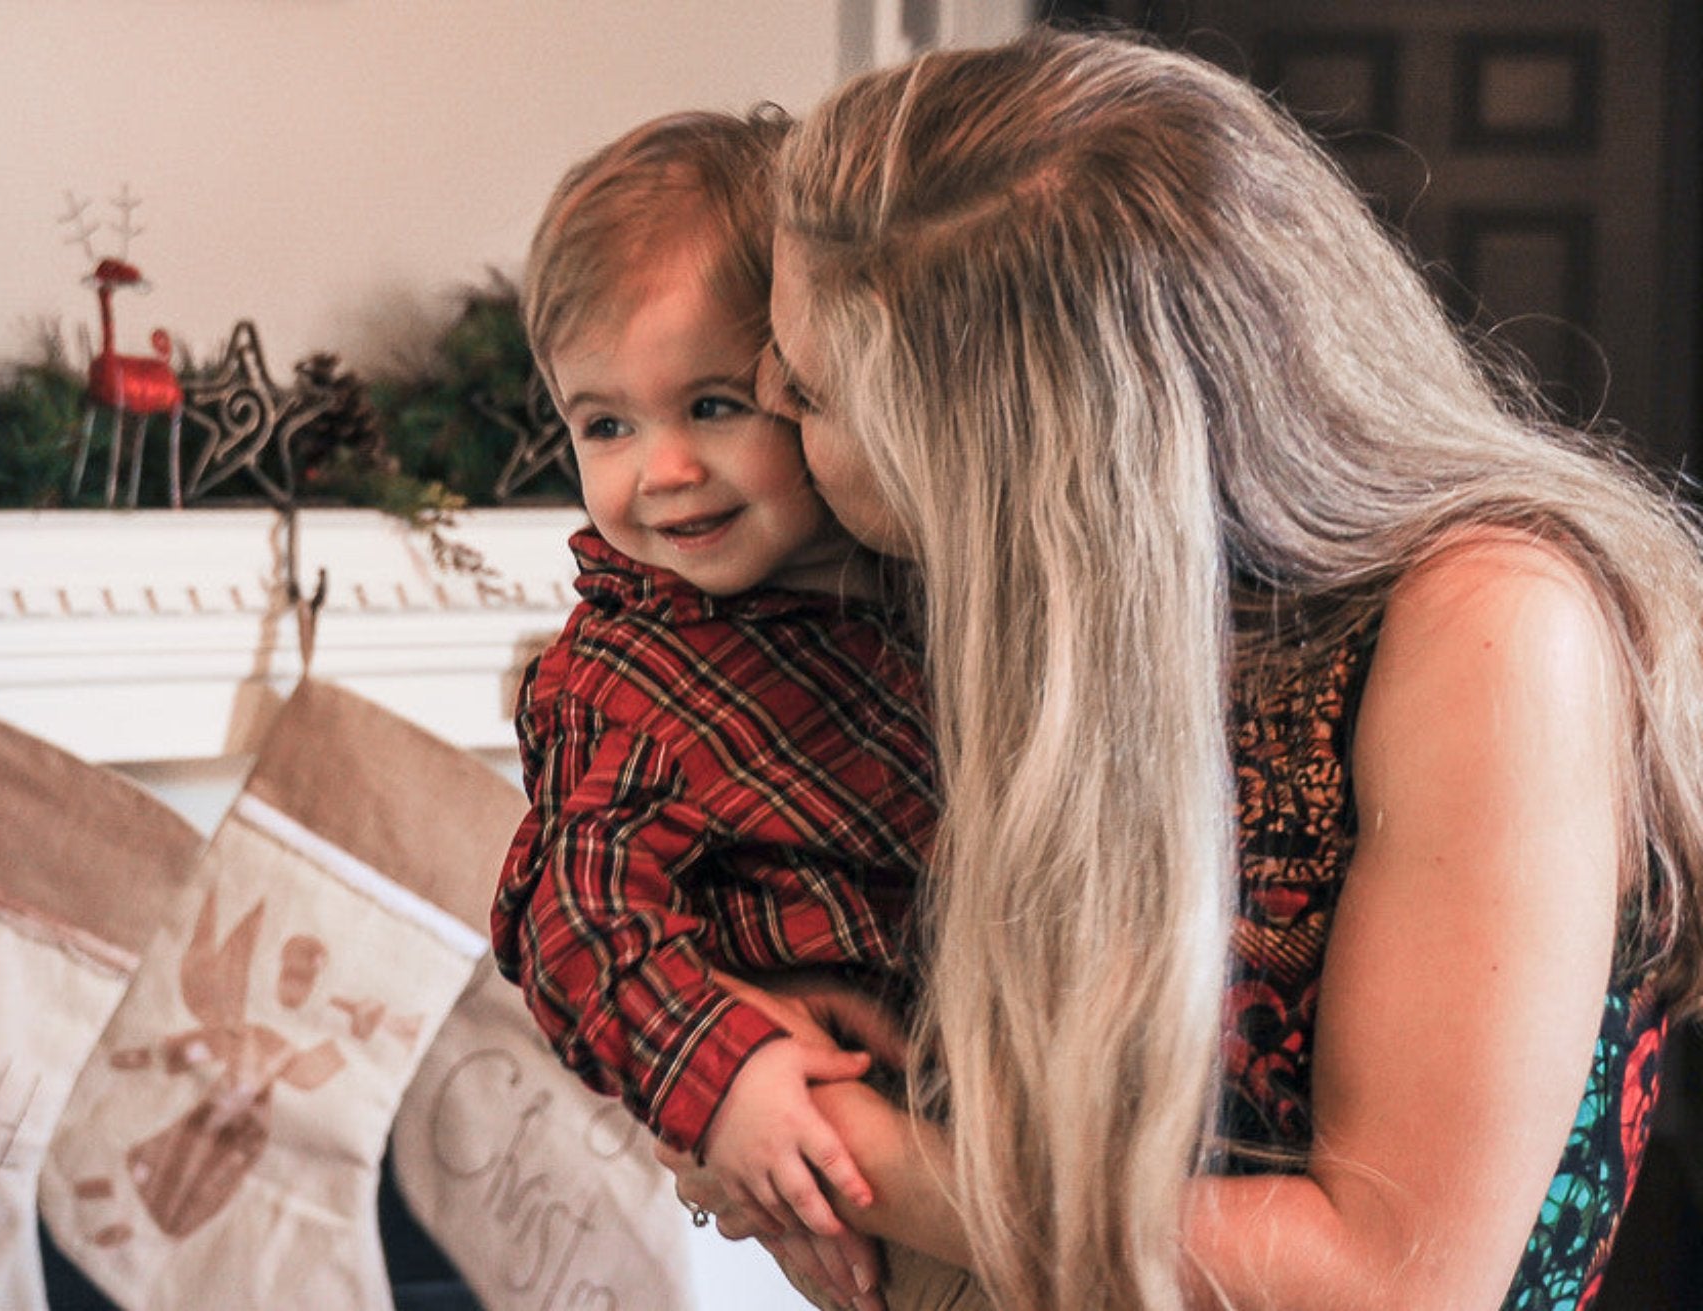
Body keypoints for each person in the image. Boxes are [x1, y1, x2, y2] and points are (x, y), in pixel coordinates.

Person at [663, 26, 1703, 1311]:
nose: (762, 391)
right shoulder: (1018, 607)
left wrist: (815, 1142)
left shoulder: (1487, 624)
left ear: (1014, 462)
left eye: (813, 393)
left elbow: (1391, 1280)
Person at [489, 108, 939, 1256]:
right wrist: (720, 1079)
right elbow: (576, 919)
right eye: (605, 425)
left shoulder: (910, 591)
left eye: (712, 405)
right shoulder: (627, 677)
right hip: (869, 1161)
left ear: (813, 381)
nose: (664, 472)